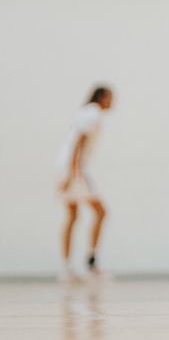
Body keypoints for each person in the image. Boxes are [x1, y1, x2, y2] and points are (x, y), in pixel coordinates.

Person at [57, 86, 112, 278]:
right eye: (110, 97)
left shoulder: (86, 112)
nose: (112, 102)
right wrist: (73, 174)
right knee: (101, 211)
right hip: (74, 169)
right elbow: (78, 143)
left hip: (67, 167)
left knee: (73, 215)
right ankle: (91, 262)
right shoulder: (93, 114)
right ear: (101, 97)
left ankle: (66, 267)